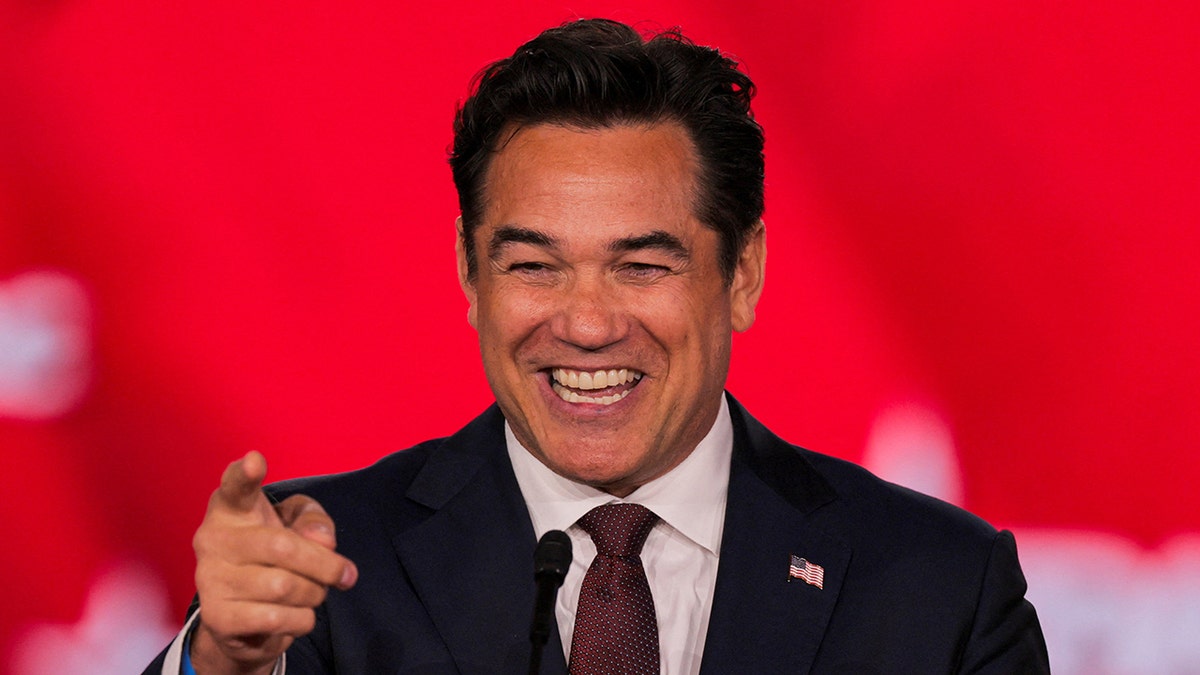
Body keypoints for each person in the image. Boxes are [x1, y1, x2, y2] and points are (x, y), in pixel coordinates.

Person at [145, 18, 1049, 674]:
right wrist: (222, 664)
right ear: (470, 274)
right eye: (535, 265)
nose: (583, 323)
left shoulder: (938, 586)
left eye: (642, 266)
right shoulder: (325, 570)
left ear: (742, 273)